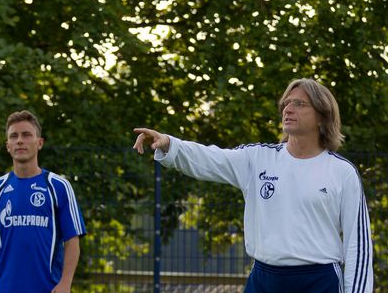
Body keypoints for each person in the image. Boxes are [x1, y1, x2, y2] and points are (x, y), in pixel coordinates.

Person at [133, 78, 373, 293]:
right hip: (264, 280)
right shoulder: (258, 159)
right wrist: (170, 144)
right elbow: (210, 158)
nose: (288, 109)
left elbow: (358, 245)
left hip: (319, 282)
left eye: (300, 104)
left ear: (322, 115)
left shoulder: (342, 172)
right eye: (286, 103)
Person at [0, 110, 87, 293]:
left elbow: (72, 239)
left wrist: (66, 283)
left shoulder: (58, 186)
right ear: (8, 146)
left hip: (49, 288)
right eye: (14, 136)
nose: (20, 140)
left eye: (27, 135)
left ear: (39, 143)